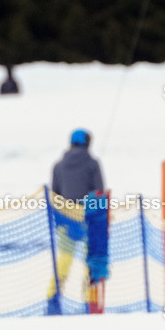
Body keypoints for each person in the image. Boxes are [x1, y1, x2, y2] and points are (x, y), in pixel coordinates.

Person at [48, 129, 106, 308]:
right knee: (91, 259)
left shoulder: (58, 166)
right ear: (88, 143)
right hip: (88, 218)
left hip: (66, 219)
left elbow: (55, 196)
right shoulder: (93, 164)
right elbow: (99, 192)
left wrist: (60, 221)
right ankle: (90, 299)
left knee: (64, 259)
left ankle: (53, 296)